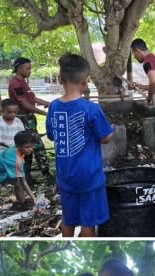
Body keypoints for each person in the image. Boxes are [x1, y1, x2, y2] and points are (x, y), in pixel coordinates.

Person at [45, 54, 115, 238]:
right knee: (88, 222)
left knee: (68, 219)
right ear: (86, 81)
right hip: (89, 176)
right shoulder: (91, 109)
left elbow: (52, 135)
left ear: (60, 79)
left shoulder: (53, 107)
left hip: (65, 175)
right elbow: (106, 137)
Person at [9, 57, 50, 184]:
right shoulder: (16, 83)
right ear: (19, 68)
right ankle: (45, 175)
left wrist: (52, 104)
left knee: (30, 147)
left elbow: (34, 99)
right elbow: (25, 104)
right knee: (35, 147)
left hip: (30, 119)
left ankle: (28, 178)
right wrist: (46, 114)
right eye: (28, 68)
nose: (30, 71)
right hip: (23, 120)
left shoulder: (23, 82)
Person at [0, 131, 37, 225]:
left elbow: (20, 181)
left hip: (2, 170)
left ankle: (22, 205)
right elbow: (24, 181)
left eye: (32, 146)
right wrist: (34, 199)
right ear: (18, 146)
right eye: (27, 147)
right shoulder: (15, 160)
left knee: (17, 182)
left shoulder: (18, 152)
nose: (30, 149)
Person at [129, 39, 155, 105]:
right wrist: (141, 86)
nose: (134, 57)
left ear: (137, 50)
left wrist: (149, 98)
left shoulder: (147, 62)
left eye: (133, 53)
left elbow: (153, 82)